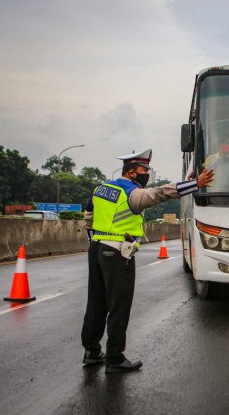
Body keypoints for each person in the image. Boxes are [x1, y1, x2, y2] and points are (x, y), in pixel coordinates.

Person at [81, 149, 215, 373]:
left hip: (96, 248)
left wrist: (97, 234)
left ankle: (91, 351)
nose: (147, 175)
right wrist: (195, 184)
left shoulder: (101, 189)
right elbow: (160, 193)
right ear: (132, 173)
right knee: (118, 305)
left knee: (96, 303)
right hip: (118, 252)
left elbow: (88, 215)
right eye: (144, 171)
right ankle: (114, 357)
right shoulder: (131, 193)